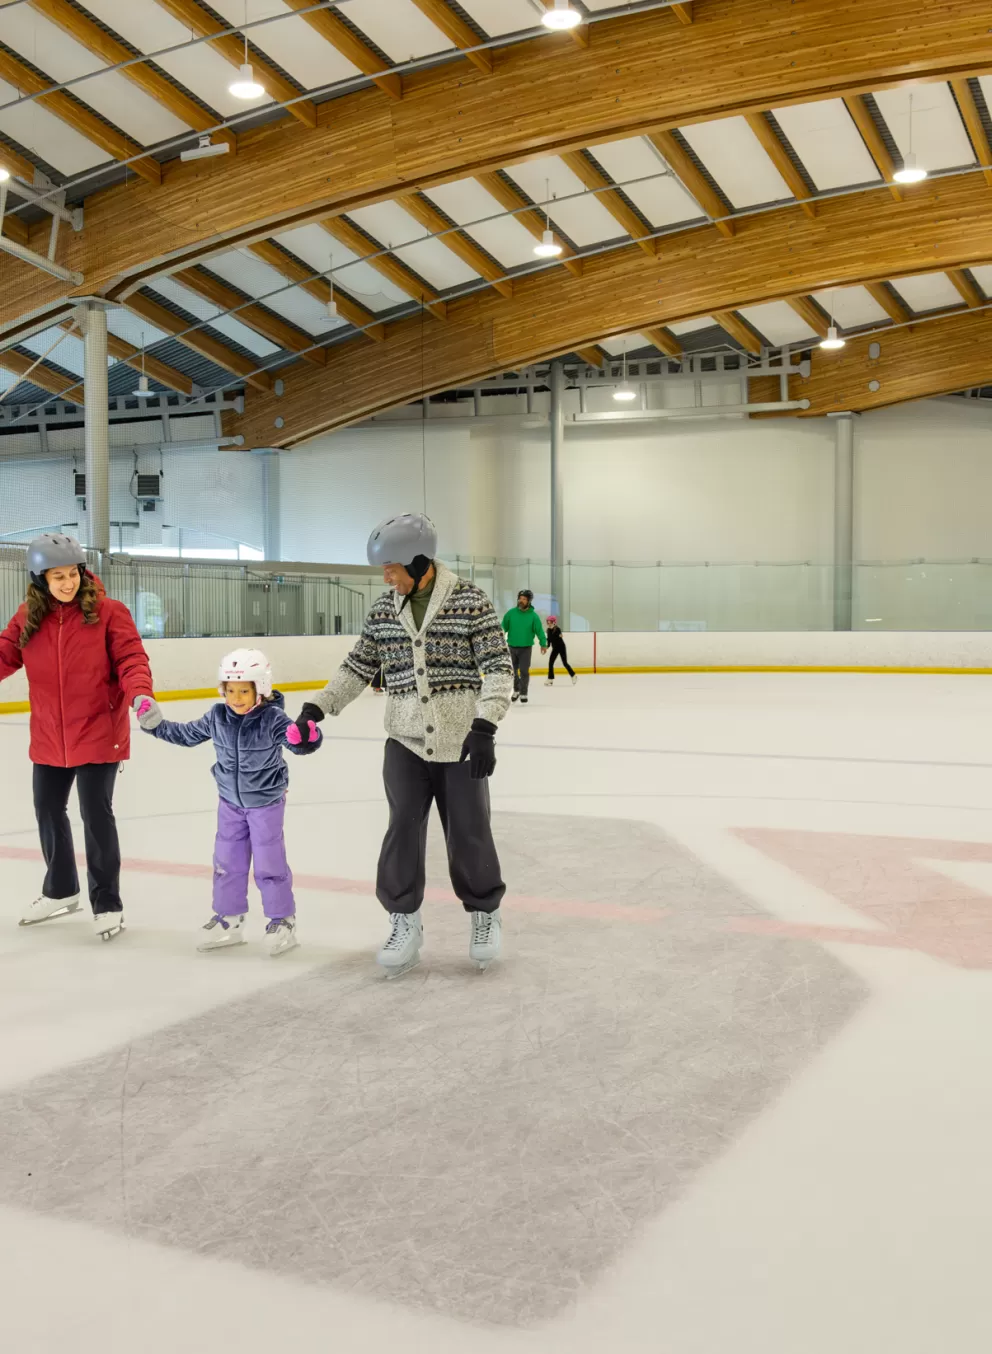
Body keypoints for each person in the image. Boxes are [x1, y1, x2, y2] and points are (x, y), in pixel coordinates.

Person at [292, 514, 512, 978]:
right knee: (401, 833)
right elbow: (357, 666)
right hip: (404, 742)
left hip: (460, 743)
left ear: (419, 561)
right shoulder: (383, 610)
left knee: (470, 832)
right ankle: (403, 921)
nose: (386, 576)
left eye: (391, 567)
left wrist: (485, 725)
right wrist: (319, 705)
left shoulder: (470, 601)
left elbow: (497, 666)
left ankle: (484, 914)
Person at [0, 534, 155, 940]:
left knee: (95, 815)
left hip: (99, 732)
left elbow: (131, 657)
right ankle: (60, 891)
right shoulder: (28, 617)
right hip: (50, 735)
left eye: (72, 574)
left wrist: (140, 695)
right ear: (39, 580)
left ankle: (107, 903)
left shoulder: (108, 613)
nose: (67, 583)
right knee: (47, 810)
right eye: (57, 576)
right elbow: (4, 654)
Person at [136, 648, 321, 956]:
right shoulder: (218, 715)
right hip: (230, 804)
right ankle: (229, 919)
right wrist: (155, 725)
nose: (236, 698)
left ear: (259, 688)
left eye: (244, 691)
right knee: (227, 863)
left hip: (265, 804)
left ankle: (282, 921)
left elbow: (296, 743)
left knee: (268, 864)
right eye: (231, 690)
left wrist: (308, 738)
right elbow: (186, 734)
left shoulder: (272, 718)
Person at [501, 589, 547, 704]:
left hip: (525, 648)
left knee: (524, 671)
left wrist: (543, 644)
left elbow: (539, 631)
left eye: (524, 599)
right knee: (513, 671)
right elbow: (502, 628)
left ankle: (523, 692)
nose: (521, 601)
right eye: (520, 598)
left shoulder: (533, 616)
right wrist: (498, 640)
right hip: (512, 646)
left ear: (529, 601)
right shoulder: (511, 613)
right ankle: (516, 690)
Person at [544, 615, 578, 686]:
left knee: (565, 663)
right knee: (550, 663)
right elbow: (549, 641)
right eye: (547, 622)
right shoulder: (548, 630)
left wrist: (560, 635)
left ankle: (573, 675)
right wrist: (546, 647)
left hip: (561, 647)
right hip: (555, 649)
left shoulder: (557, 629)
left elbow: (560, 636)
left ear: (554, 622)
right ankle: (550, 679)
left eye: (550, 622)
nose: (548, 623)